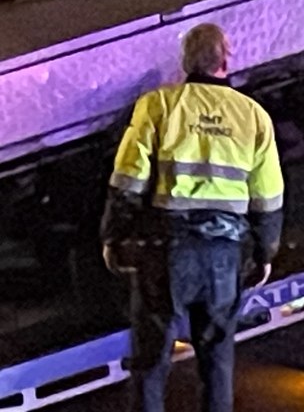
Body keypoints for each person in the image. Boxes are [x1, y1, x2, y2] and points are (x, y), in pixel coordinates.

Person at [100, 23, 284, 412]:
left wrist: (113, 237)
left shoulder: (158, 105)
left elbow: (127, 180)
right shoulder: (254, 116)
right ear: (226, 61)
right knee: (216, 362)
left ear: (185, 61)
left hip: (166, 251)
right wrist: (265, 252)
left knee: (151, 362)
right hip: (224, 255)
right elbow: (268, 197)